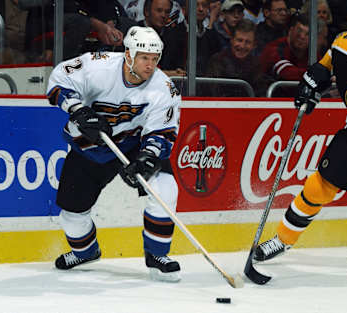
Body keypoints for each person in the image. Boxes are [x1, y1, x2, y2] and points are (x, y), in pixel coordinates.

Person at [46, 26, 182, 282]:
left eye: (154, 59)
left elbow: (163, 132)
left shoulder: (165, 89)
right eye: (144, 57)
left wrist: (148, 157)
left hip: (132, 146)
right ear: (128, 54)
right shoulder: (98, 66)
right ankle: (85, 252)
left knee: (165, 188)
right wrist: (78, 109)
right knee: (72, 215)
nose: (149, 65)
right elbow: (58, 79)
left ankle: (157, 256)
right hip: (89, 147)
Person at [253, 20, 347, 278]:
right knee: (319, 185)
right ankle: (283, 239)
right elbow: (324, 67)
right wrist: (311, 84)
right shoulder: (344, 45)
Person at [206, 19, 270, 97]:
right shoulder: (217, 60)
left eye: (248, 42)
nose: (242, 46)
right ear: (232, 40)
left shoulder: (256, 64)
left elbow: (261, 93)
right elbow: (214, 92)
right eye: (239, 40)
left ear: (254, 45)